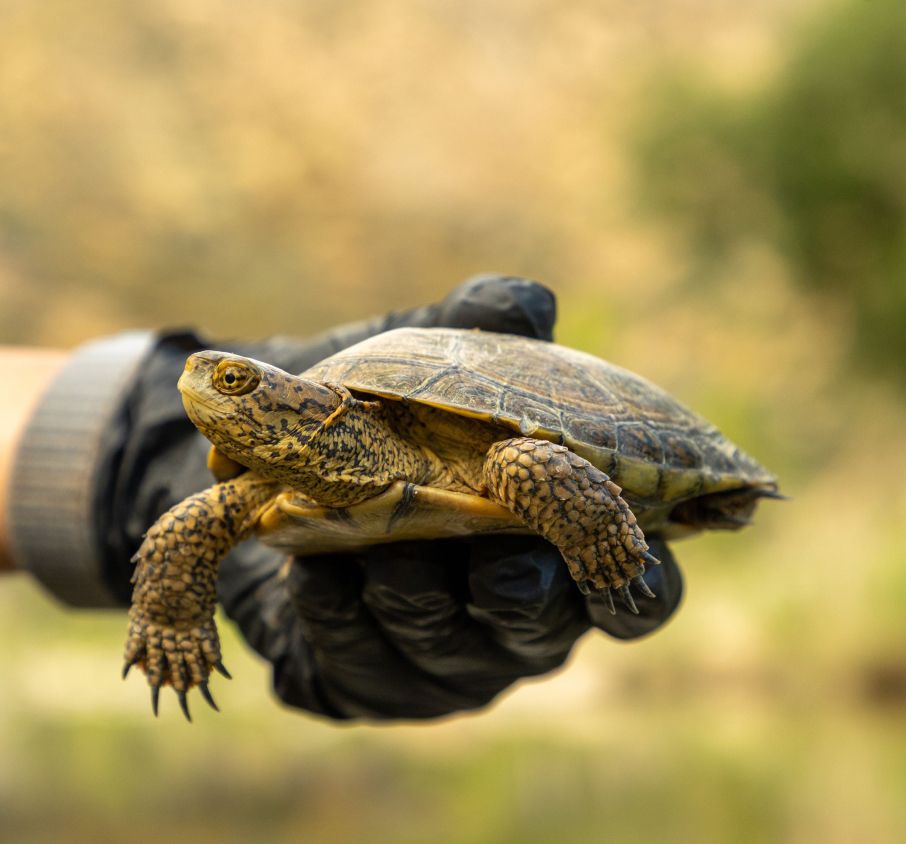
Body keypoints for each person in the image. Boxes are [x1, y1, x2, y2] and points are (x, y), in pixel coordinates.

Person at [0, 275, 683, 719]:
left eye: (235, 381)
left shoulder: (477, 453)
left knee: (521, 464)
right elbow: (183, 533)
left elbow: (529, 458)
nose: (200, 382)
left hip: (584, 450)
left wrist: (599, 538)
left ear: (312, 407)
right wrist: (169, 614)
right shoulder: (262, 489)